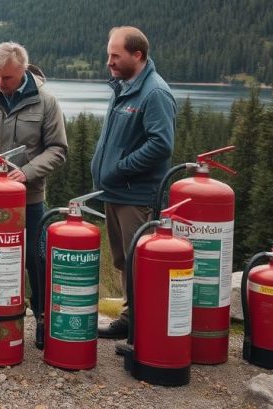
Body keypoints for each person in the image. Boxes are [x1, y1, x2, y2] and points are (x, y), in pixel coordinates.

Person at [0, 41, 68, 338]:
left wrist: (28, 172)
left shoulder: (45, 102)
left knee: (35, 256)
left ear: (22, 72)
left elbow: (58, 149)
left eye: (6, 77)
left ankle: (43, 317)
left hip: (28, 196)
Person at [91, 26, 176, 339]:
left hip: (137, 195)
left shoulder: (154, 93)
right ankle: (130, 320)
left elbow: (161, 144)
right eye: (108, 55)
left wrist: (122, 168)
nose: (109, 62)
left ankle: (143, 329)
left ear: (137, 55)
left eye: (116, 55)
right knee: (124, 259)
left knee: (138, 261)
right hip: (115, 192)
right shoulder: (125, 87)